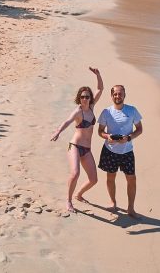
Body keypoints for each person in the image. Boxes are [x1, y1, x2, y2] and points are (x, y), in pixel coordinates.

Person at [50, 67, 103, 213]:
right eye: (82, 96)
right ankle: (68, 201)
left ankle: (79, 195)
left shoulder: (91, 107)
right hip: (75, 146)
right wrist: (58, 131)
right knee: (75, 173)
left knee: (93, 179)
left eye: (87, 96)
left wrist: (98, 75)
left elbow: (100, 88)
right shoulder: (78, 111)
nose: (85, 99)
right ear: (79, 98)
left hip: (87, 149)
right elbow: (68, 121)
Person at [97, 84, 143, 218]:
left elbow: (139, 129)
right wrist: (108, 136)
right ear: (111, 96)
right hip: (110, 151)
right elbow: (100, 131)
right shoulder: (106, 112)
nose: (118, 96)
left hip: (127, 151)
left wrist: (129, 137)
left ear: (124, 95)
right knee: (110, 178)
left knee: (132, 179)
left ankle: (131, 208)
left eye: (120, 93)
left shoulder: (132, 110)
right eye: (115, 94)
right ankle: (113, 202)